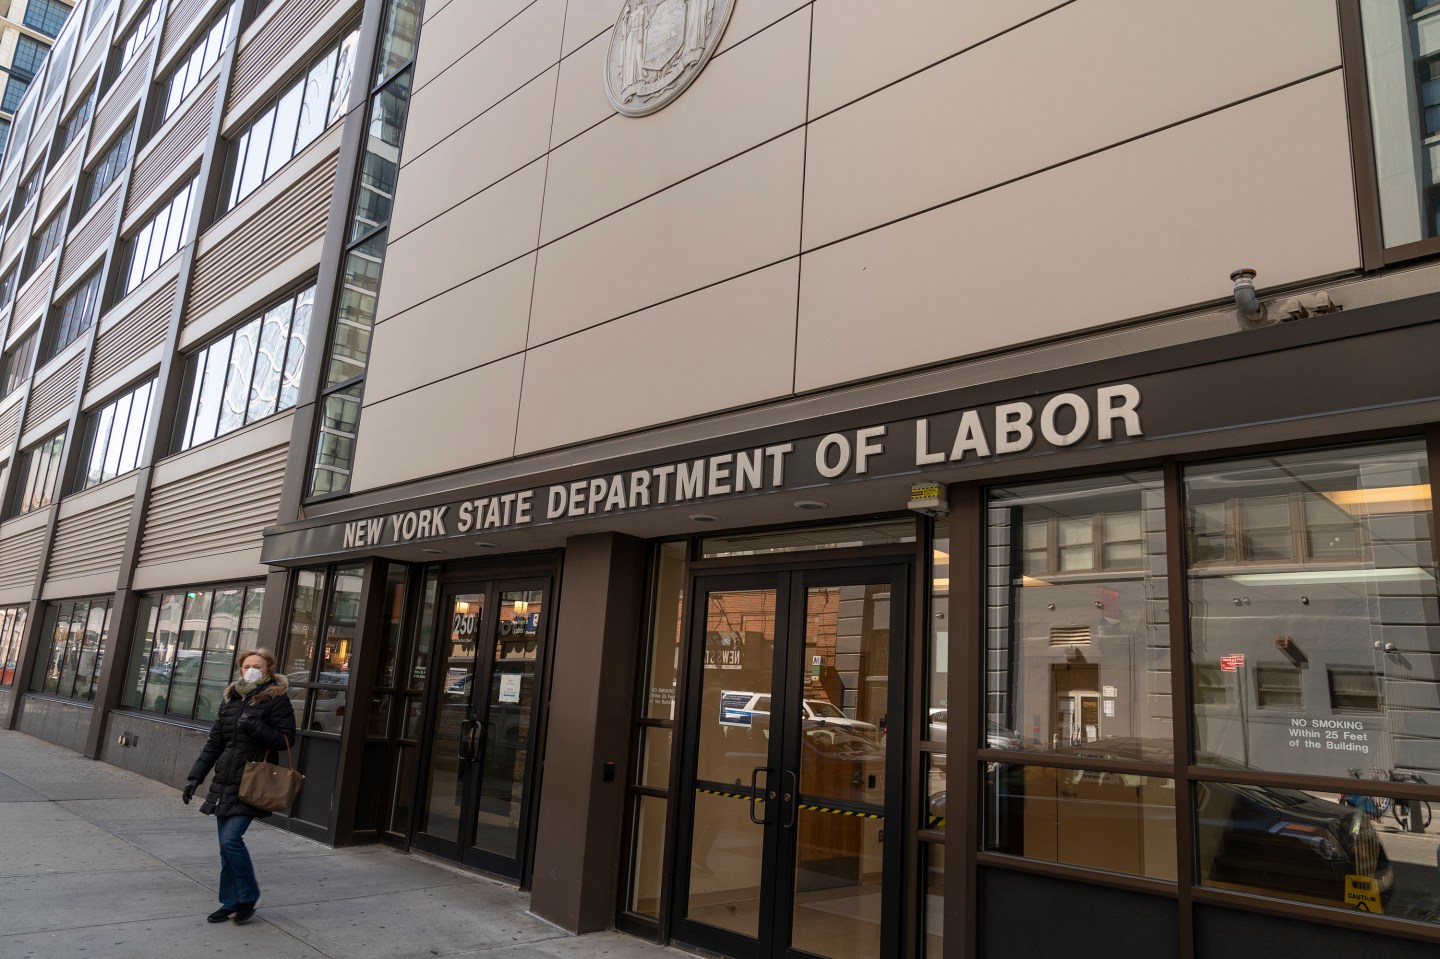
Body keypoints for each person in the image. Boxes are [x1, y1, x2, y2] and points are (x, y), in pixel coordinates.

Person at [181, 648, 296, 925]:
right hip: (226, 778)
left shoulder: (277, 699)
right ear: (240, 669)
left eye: (257, 666)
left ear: (268, 669)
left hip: (252, 781)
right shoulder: (231, 699)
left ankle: (248, 895)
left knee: (231, 840)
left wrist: (255, 726)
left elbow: (286, 740)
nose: (251, 670)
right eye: (246, 666)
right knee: (225, 846)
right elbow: (215, 743)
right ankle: (230, 901)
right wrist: (195, 777)